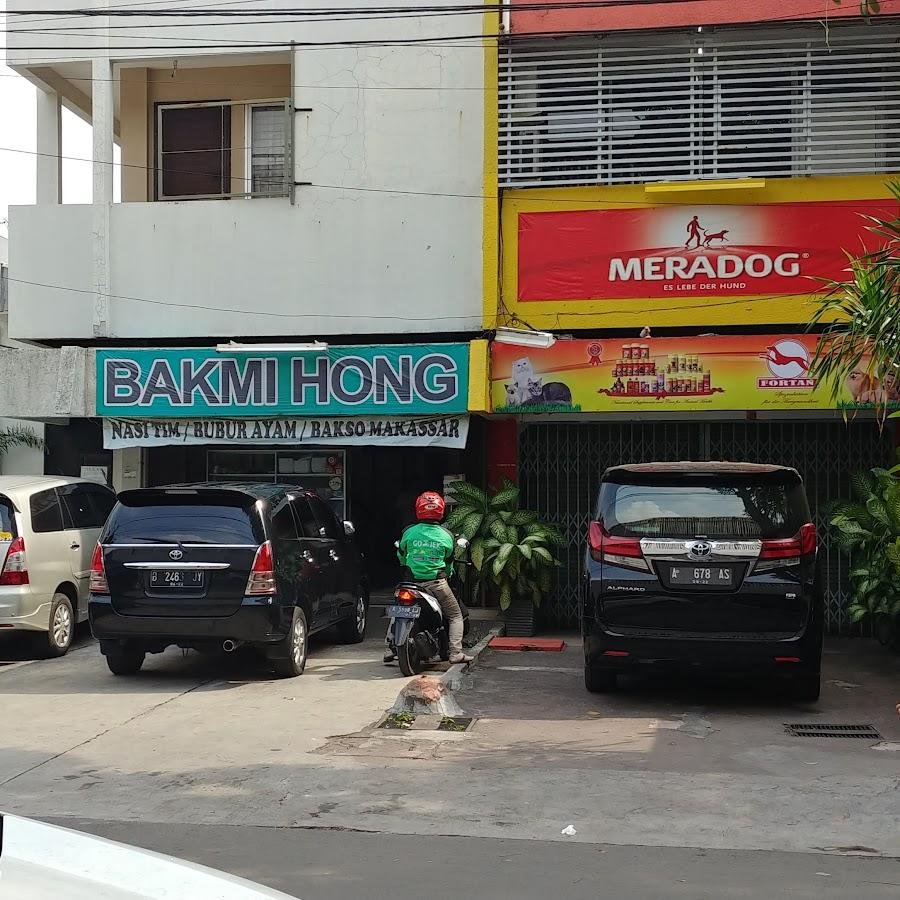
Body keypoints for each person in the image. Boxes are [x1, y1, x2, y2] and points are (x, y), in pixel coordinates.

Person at [384, 491, 473, 665]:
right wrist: (447, 573)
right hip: (436, 584)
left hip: (411, 583)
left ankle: (389, 647)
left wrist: (408, 565)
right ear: (441, 510)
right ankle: (456, 653)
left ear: (419, 509)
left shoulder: (408, 532)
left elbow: (401, 554)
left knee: (399, 609)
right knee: (455, 615)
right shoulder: (446, 535)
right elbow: (449, 562)